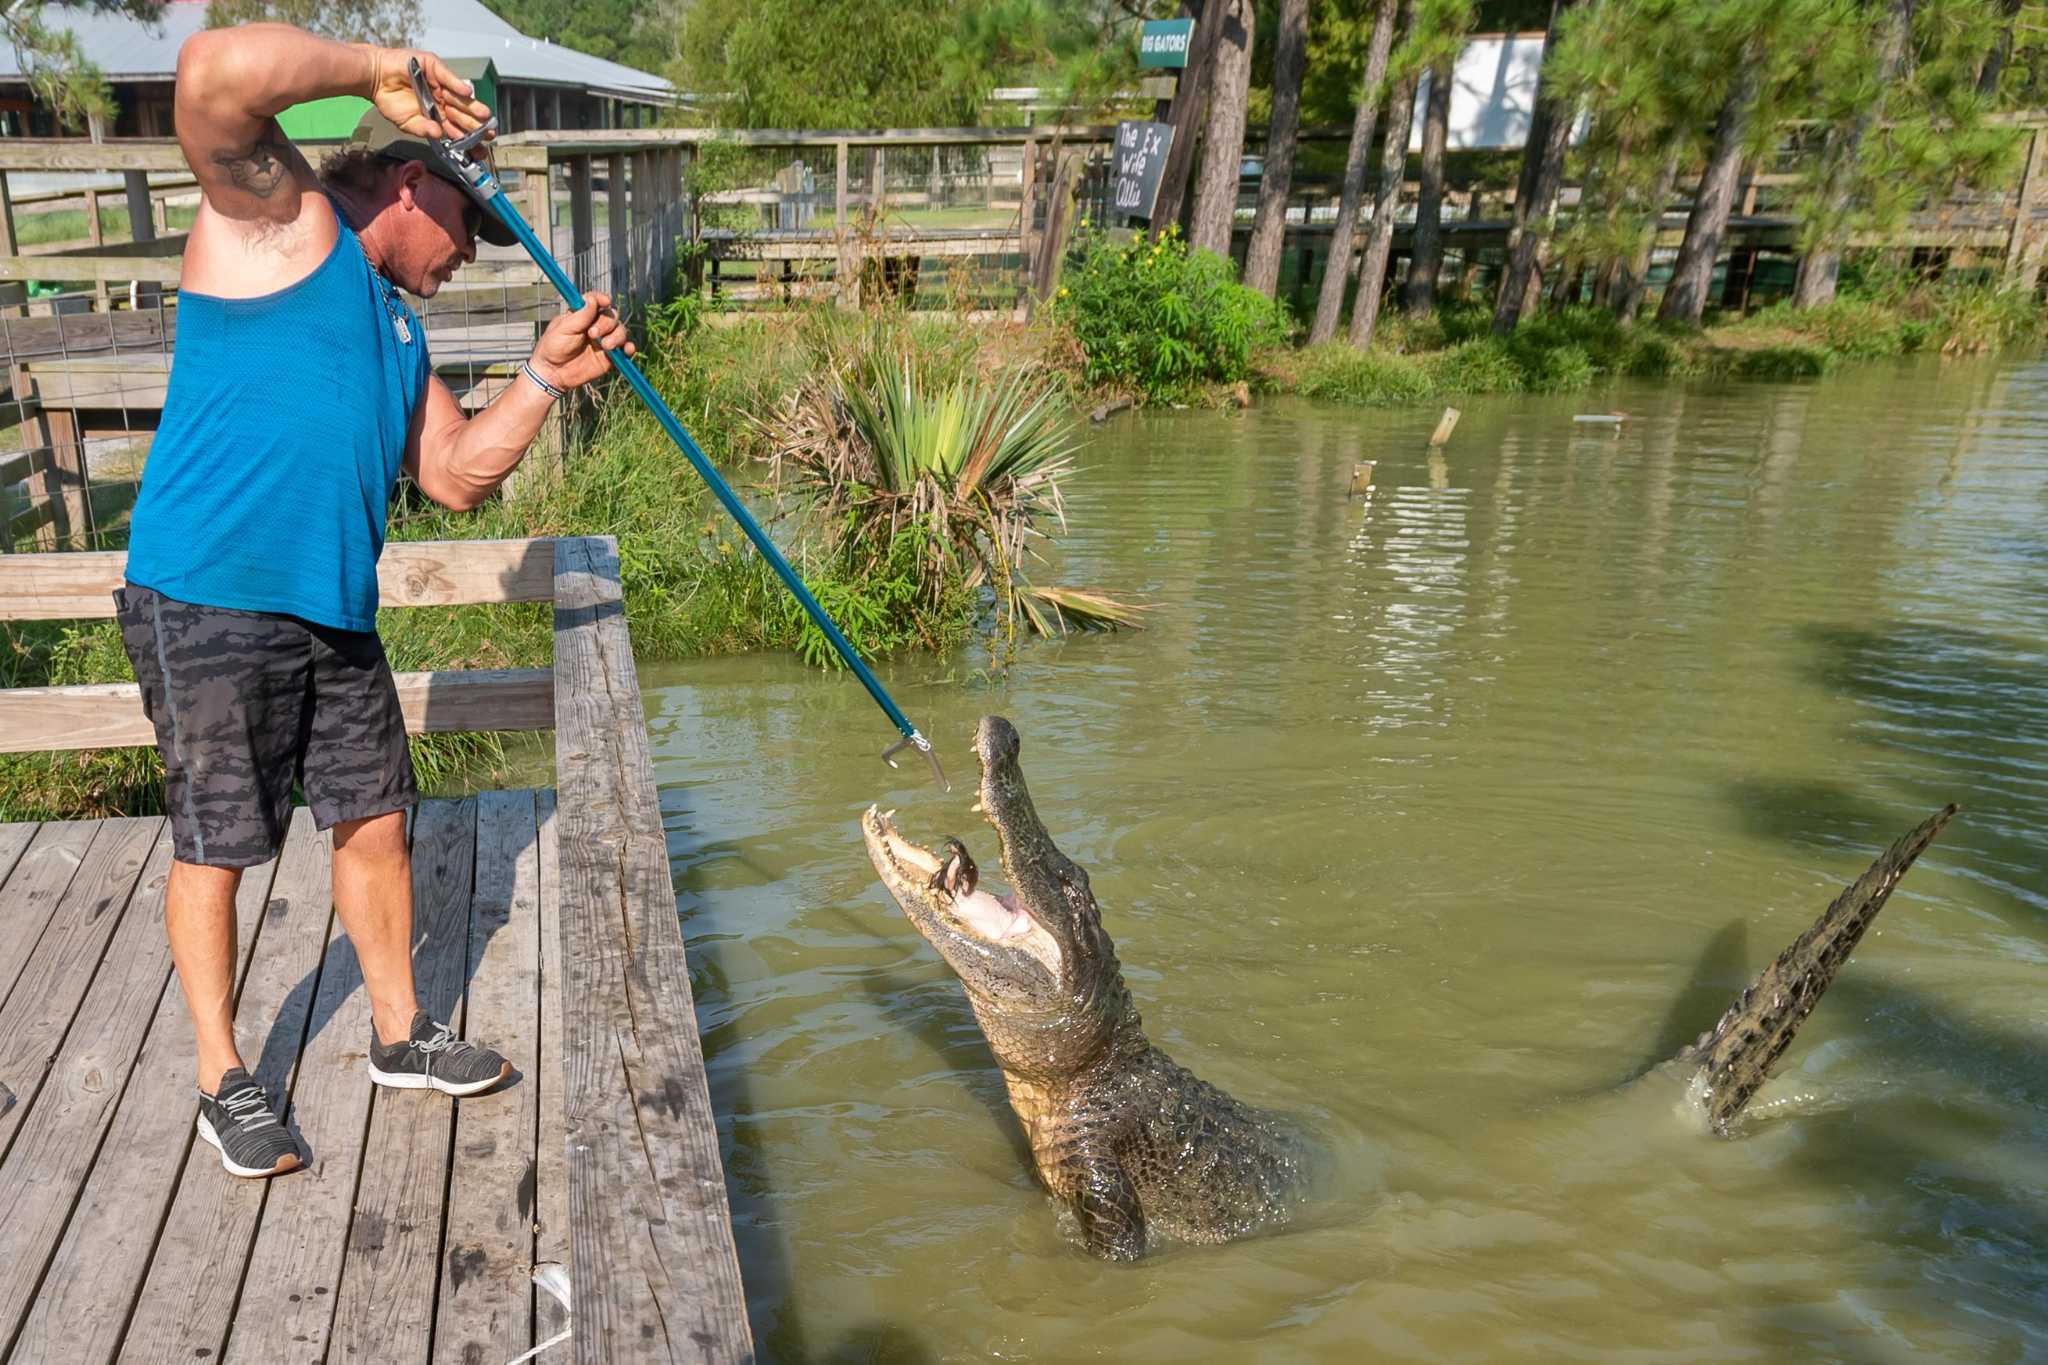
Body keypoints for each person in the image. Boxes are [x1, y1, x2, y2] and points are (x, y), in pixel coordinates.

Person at [114, 23, 633, 1178]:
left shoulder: (399, 329)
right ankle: (222, 1077)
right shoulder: (278, 225)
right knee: (219, 842)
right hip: (208, 593)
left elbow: (450, 474)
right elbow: (208, 75)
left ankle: (400, 1036)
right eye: (469, 226)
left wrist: (544, 377)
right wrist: (371, 68)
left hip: (332, 609)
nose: (473, 255)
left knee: (376, 818)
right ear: (411, 180)